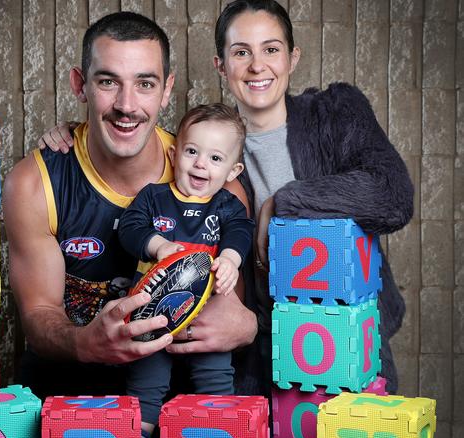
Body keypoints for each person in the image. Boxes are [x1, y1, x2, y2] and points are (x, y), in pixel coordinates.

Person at [39, 0, 413, 394]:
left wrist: (285, 202)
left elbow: (393, 197)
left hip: (345, 341)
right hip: (256, 362)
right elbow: (128, 131)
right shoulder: (203, 151)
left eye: (271, 49)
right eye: (241, 52)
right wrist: (75, 133)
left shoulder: (335, 114)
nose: (257, 66)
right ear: (221, 65)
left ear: (292, 57)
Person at [3, 11, 257, 400]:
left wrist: (246, 325)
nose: (126, 104)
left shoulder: (217, 187)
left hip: (177, 410)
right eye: (108, 82)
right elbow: (38, 315)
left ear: (166, 89)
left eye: (145, 83)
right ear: (80, 84)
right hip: (69, 401)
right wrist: (83, 342)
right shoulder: (34, 183)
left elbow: (231, 312)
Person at [117, 103, 255, 438]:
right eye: (192, 152)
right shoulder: (154, 196)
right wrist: (158, 244)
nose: (200, 164)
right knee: (145, 384)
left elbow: (240, 233)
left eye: (215, 158)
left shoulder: (226, 206)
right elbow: (130, 229)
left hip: (205, 316)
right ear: (175, 154)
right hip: (154, 313)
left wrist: (229, 259)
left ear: (232, 169)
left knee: (215, 375)